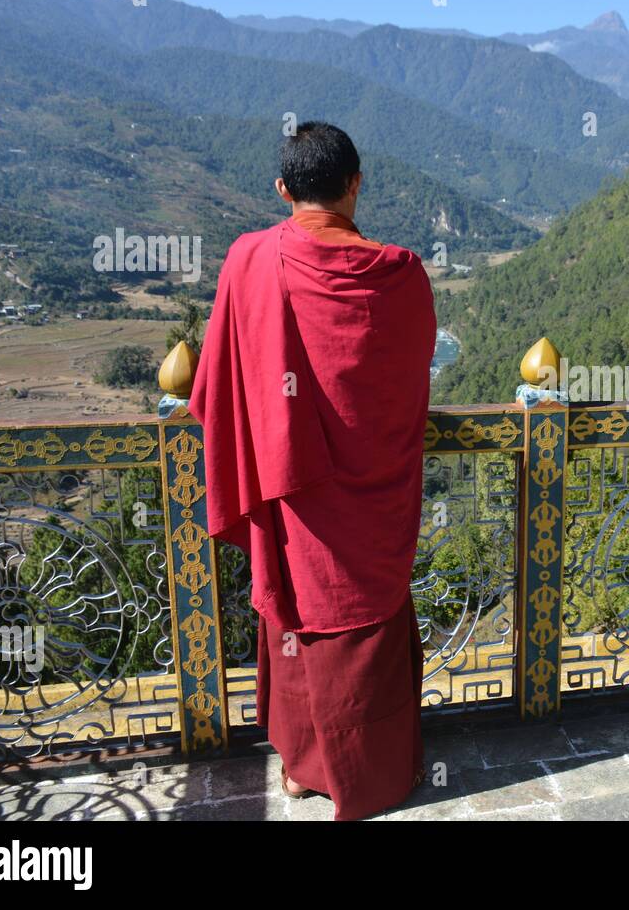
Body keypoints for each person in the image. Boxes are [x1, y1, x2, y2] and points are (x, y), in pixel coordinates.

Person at [188, 121, 436, 820]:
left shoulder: (248, 259)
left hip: (289, 489)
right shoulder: (400, 272)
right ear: (356, 184)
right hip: (373, 496)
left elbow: (216, 383)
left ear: (282, 190)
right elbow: (408, 376)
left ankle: (300, 771)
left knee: (298, 617)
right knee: (365, 620)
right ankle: (376, 775)